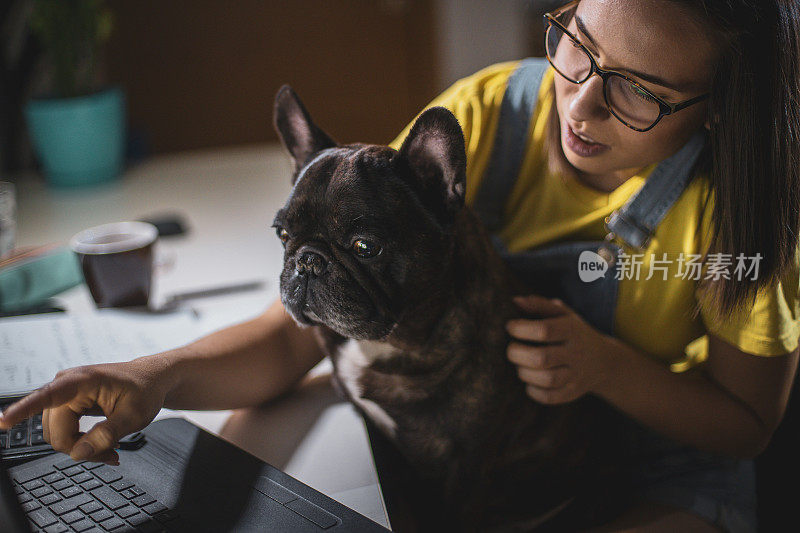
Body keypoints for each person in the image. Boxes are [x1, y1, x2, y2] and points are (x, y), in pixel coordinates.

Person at [2, 0, 799, 531]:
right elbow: (304, 329)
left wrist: (608, 369)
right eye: (577, 46)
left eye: (638, 92)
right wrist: (157, 375)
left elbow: (747, 425)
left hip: (661, 450)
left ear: (721, 102)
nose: (582, 103)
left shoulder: (746, 213)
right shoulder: (485, 115)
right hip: (458, 433)